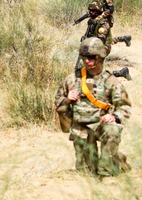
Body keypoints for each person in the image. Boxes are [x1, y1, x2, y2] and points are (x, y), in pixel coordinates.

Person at [54, 38, 132, 177]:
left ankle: (110, 166)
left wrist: (113, 116)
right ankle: (116, 159)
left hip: (102, 125)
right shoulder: (73, 79)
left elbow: (124, 107)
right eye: (85, 58)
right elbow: (58, 104)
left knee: (112, 133)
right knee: (87, 173)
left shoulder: (110, 80)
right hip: (81, 129)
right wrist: (67, 100)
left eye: (91, 57)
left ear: (99, 57)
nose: (87, 61)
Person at [78, 3, 131, 79]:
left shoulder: (103, 23)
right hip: (95, 46)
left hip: (103, 47)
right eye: (90, 10)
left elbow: (100, 41)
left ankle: (119, 73)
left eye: (93, 11)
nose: (90, 12)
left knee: (95, 70)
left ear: (97, 12)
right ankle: (120, 73)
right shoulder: (92, 22)